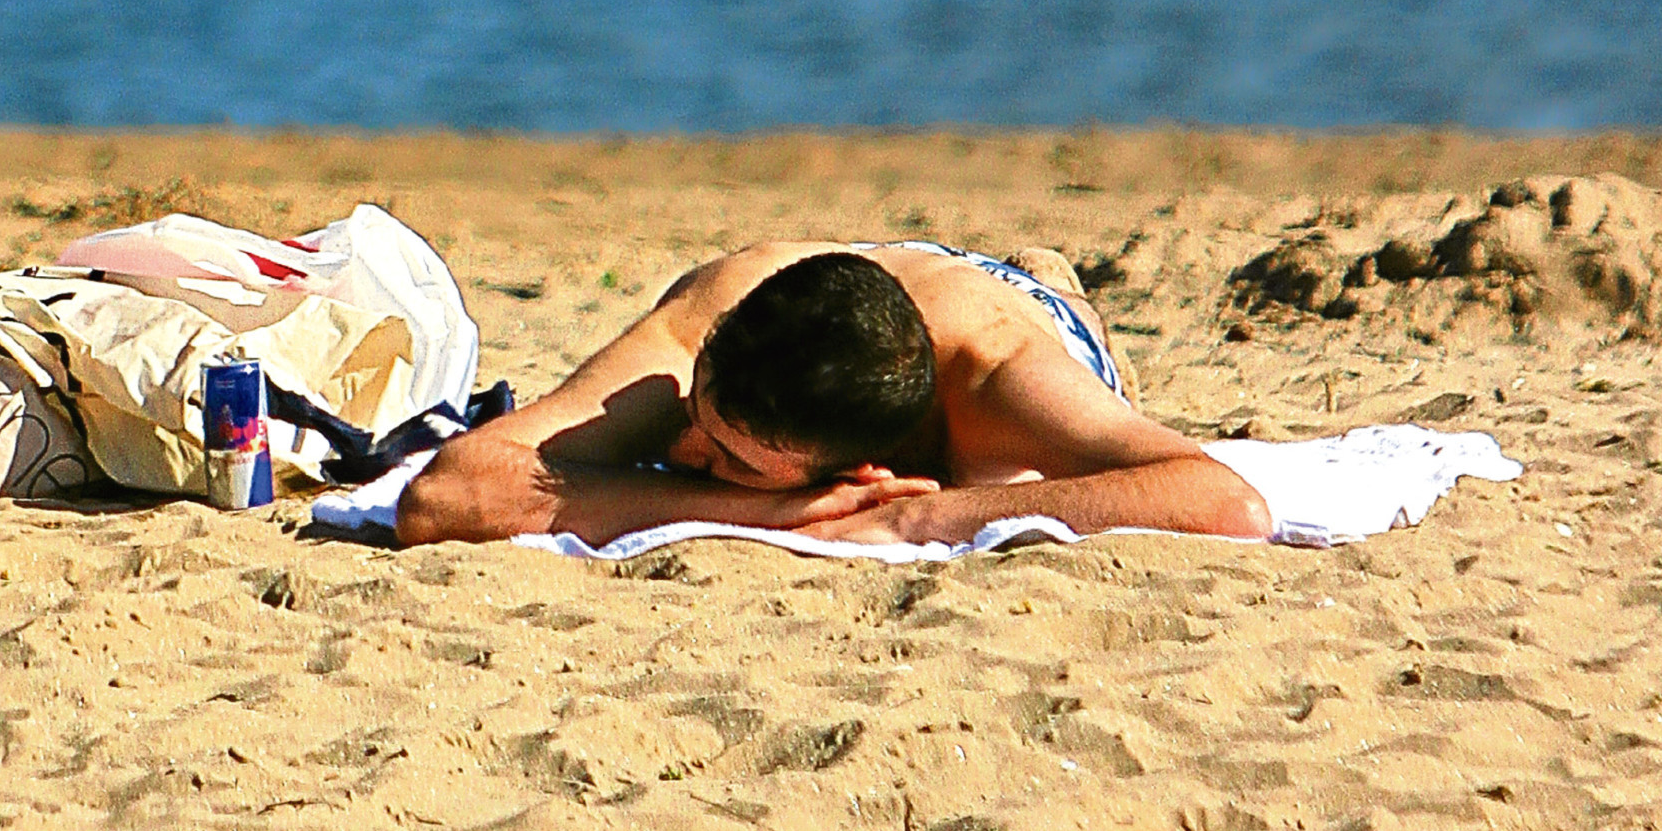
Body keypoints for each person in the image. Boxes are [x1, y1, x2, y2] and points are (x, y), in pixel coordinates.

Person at [394, 241, 1272, 547]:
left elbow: (1224, 501)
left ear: (860, 467)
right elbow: (444, 494)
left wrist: (916, 519)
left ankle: (1047, 273)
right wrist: (760, 510)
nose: (689, 451)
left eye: (733, 460)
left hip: (1015, 311)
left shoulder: (996, 377)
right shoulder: (700, 332)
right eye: (699, 418)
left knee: (1054, 317)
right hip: (845, 280)